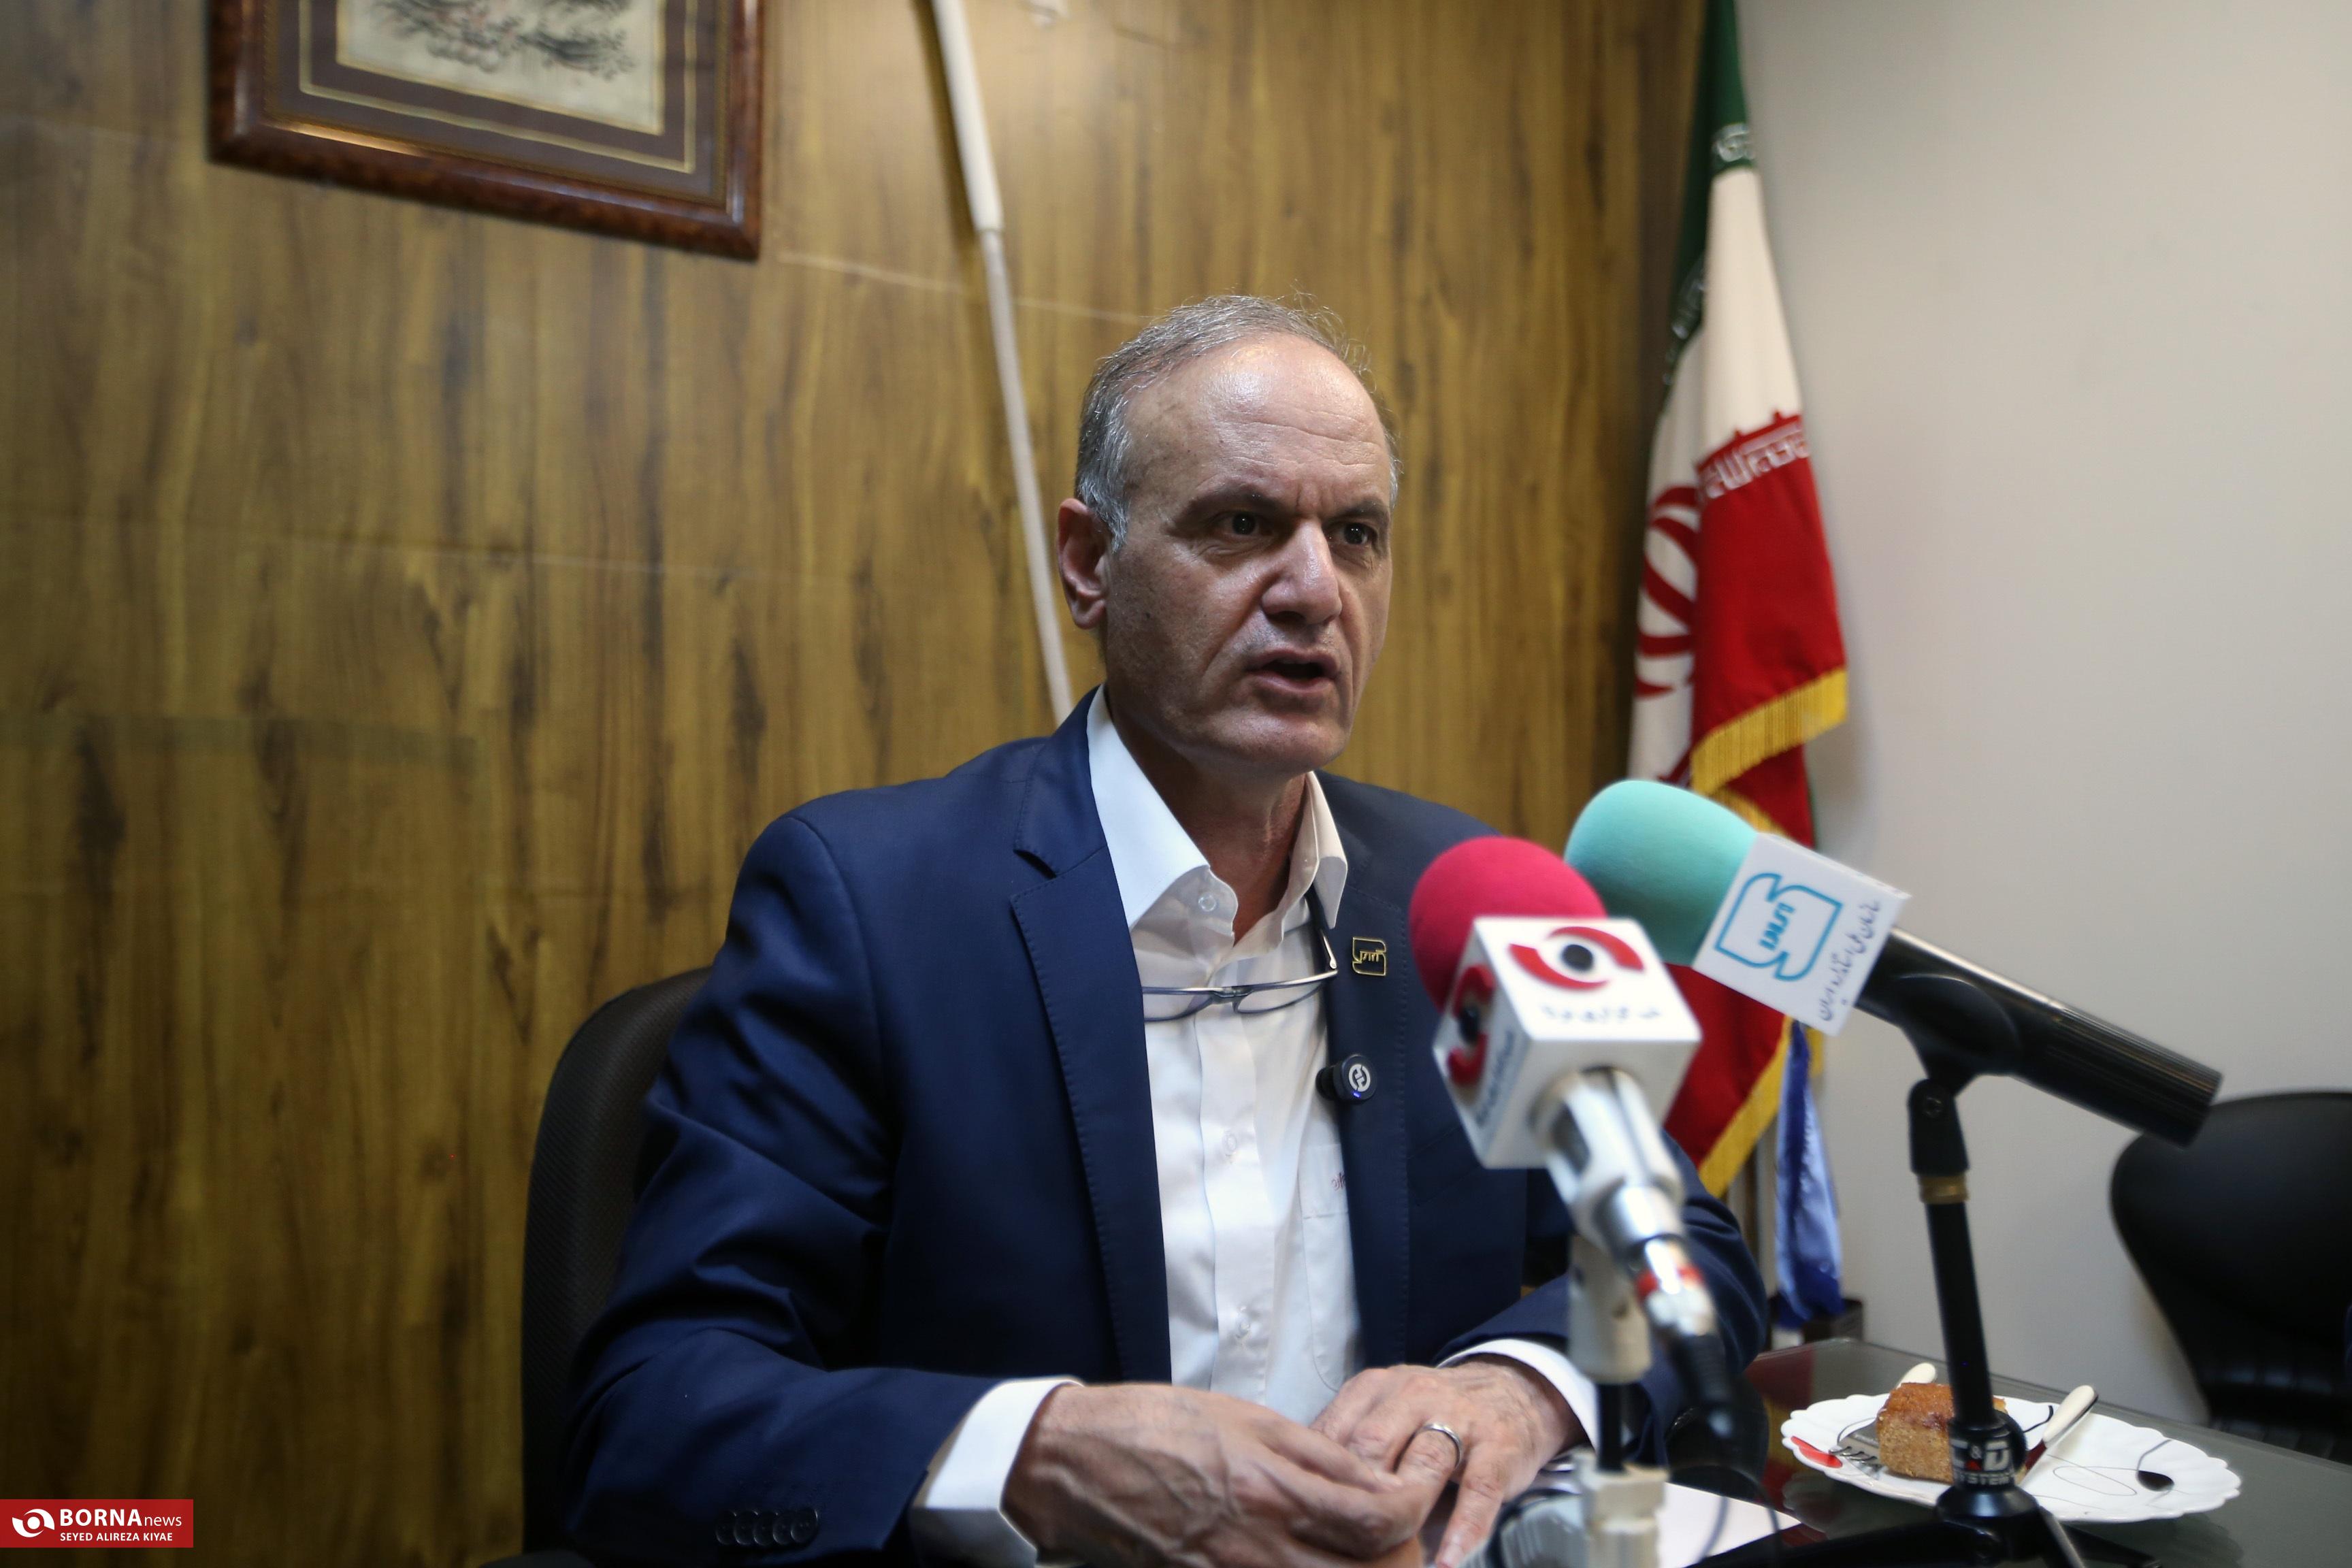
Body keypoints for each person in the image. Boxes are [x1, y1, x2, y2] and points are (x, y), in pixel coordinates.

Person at [564, 297, 1765, 1568]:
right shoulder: (870, 903)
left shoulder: (1457, 898)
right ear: (1090, 563)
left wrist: (1522, 1387)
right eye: (1242, 525)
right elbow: (655, 1410)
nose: (1314, 591)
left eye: (1356, 535)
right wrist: (1040, 1453)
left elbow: (1682, 1251)